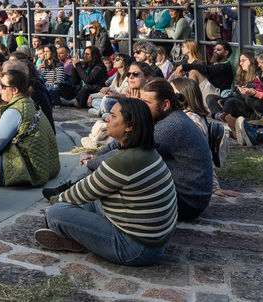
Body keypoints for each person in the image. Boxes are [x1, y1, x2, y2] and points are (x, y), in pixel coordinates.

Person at [35, 98, 177, 265]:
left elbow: (76, 194)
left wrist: (54, 204)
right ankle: (78, 239)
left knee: (56, 213)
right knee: (93, 198)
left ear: (129, 126)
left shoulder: (123, 161)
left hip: (137, 249)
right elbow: (90, 188)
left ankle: (77, 237)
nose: (107, 119)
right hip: (154, 240)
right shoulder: (147, 151)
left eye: (113, 116)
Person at [85, 78, 213, 221]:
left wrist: (92, 163)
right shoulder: (165, 118)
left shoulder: (172, 126)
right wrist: (98, 155)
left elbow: (128, 155)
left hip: (187, 203)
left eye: (146, 103)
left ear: (165, 105)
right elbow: (124, 142)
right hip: (185, 197)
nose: (141, 107)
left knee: (120, 177)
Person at [0, 70, 60, 187]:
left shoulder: (14, 111)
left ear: (14, 90)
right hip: (44, 167)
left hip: (26, 171)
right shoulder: (31, 103)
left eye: (3, 86)